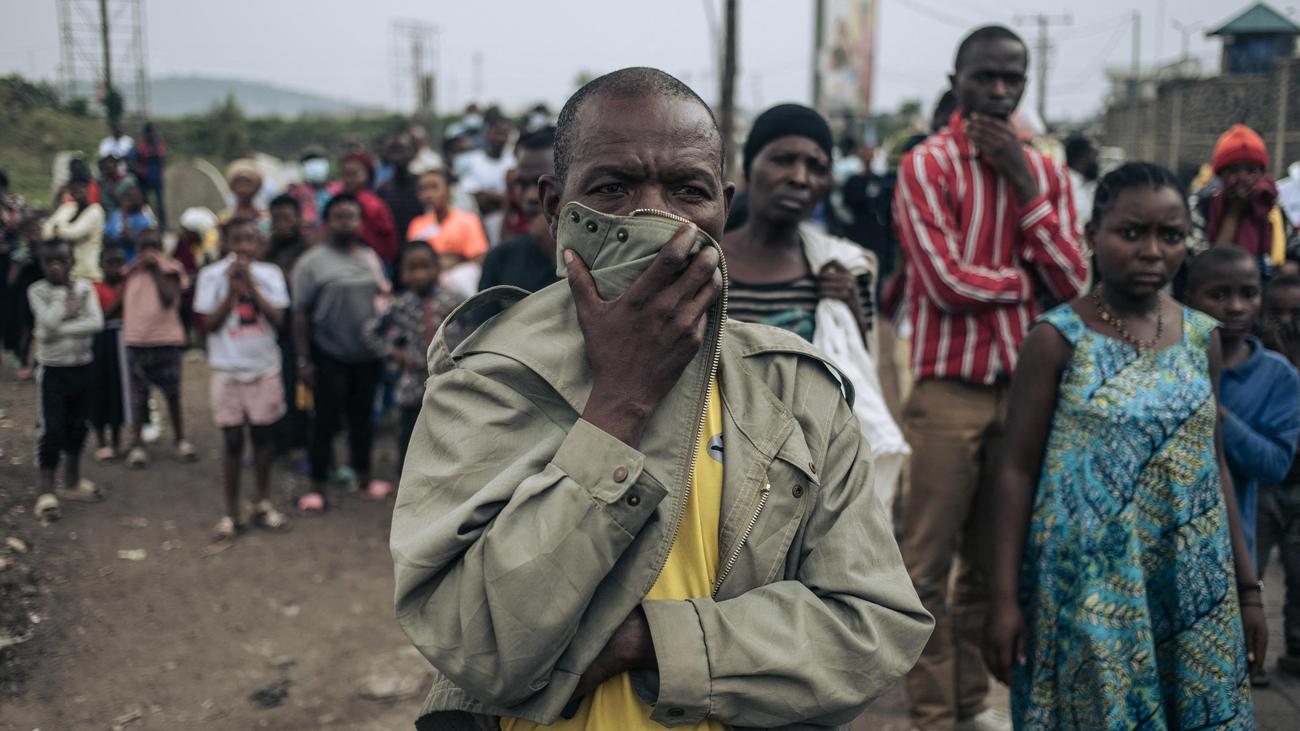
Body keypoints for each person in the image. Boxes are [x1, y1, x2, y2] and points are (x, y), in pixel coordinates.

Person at [392, 66, 931, 730]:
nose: (654, 217)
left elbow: (872, 625)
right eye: (613, 189)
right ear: (555, 205)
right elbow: (477, 646)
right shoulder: (492, 378)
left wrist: (643, 642)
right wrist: (620, 401)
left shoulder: (795, 390)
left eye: (688, 190)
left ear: (723, 208)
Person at [984, 162, 1265, 729]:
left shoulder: (1200, 338)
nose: (1152, 251)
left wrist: (1248, 587)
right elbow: (1015, 470)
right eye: (1131, 233)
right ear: (1092, 237)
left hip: (1190, 580)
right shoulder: (1058, 338)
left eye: (1171, 235)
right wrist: (1003, 598)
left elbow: (1213, 464)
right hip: (1089, 583)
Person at [893, 25, 1089, 731]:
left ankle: (972, 702)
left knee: (991, 563)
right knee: (924, 567)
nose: (1000, 93)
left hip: (1028, 392)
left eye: (1014, 79)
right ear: (958, 78)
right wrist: (1024, 283)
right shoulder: (926, 165)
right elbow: (944, 282)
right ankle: (932, 711)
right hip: (949, 390)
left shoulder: (1048, 173)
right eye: (986, 78)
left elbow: (1073, 283)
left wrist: (1025, 189)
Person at [723, 103, 907, 509]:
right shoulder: (707, 265)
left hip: (810, 477)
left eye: (816, 167)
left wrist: (846, 304)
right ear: (748, 170)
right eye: (783, 160)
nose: (800, 177)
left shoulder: (843, 267)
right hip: (714, 464)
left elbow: (860, 369)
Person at [1183, 246, 1300, 570]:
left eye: (1248, 294)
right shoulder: (1172, 366)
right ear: (1189, 298)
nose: (1235, 307)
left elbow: (1275, 464)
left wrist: (1219, 416)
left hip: (1233, 550)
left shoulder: (1278, 377)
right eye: (1218, 294)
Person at [291, 193, 393, 511]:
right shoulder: (311, 263)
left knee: (362, 419)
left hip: (367, 354)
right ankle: (317, 486)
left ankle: (364, 478)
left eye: (352, 215)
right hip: (328, 353)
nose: (346, 222)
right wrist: (304, 358)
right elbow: (300, 313)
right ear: (327, 222)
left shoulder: (369, 257)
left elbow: (383, 296)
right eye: (339, 216)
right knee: (325, 420)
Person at [194, 218, 292, 540]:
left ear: (260, 244)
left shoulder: (270, 274)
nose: (243, 248)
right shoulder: (210, 276)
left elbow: (279, 320)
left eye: (250, 240)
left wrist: (252, 286)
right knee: (232, 441)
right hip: (227, 369)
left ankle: (263, 503)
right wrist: (233, 292)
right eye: (237, 241)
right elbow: (209, 325)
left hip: (263, 367)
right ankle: (231, 512)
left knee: (264, 438)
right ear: (224, 243)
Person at [363, 241, 460, 473]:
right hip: (413, 381)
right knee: (410, 432)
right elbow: (370, 332)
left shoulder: (453, 300)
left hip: (450, 378)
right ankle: (408, 480)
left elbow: (472, 327)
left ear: (437, 268)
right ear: (402, 273)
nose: (419, 274)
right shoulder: (400, 305)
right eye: (412, 268)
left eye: (425, 266)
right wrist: (394, 353)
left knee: (449, 431)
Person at [28, 239, 105, 521]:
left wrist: (57, 329)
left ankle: (72, 482)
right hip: (53, 370)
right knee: (52, 428)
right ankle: (46, 491)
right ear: (42, 264)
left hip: (82, 367)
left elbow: (95, 323)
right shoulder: (37, 291)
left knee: (78, 425)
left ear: (72, 262)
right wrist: (63, 298)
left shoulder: (85, 288)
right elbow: (46, 325)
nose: (56, 266)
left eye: (62, 260)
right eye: (49, 261)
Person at [121, 228, 194, 467]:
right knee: (138, 397)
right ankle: (137, 444)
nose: (149, 251)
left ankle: (180, 439)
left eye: (154, 245)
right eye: (145, 246)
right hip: (137, 341)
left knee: (172, 394)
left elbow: (168, 299)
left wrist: (155, 269)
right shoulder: (130, 271)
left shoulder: (171, 269)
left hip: (167, 340)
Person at [1258, 273, 1300, 679]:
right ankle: (1248, 653)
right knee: (1248, 572)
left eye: (1297, 314)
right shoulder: (1257, 364)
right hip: (1262, 487)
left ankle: (1296, 650)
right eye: (1276, 314)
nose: (1285, 324)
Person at [1201, 124, 1299, 274]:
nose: (1243, 178)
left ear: (1261, 174)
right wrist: (1234, 213)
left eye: (1251, 171)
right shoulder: (1203, 207)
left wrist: (1276, 270)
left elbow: (1294, 255)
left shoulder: (1273, 211)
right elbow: (1206, 266)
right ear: (1221, 174)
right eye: (1234, 170)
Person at [477, 127, 561, 299]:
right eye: (522, 184)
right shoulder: (500, 259)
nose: (531, 196)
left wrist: (558, 258)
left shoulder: (602, 255)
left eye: (544, 184)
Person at [264, 193, 310, 455]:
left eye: (288, 217)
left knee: (298, 388)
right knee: (273, 384)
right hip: (272, 330)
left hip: (299, 329)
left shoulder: (307, 248)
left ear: (298, 219)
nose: (282, 223)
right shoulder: (267, 249)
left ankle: (299, 442)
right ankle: (277, 442)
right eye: (277, 217)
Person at [406, 169, 489, 272]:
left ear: (448, 190)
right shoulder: (416, 224)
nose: (428, 194)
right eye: (423, 189)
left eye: (434, 187)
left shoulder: (468, 220)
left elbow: (478, 259)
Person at [90, 245, 129, 462]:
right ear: (101, 265)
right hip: (102, 343)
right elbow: (98, 317)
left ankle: (117, 438)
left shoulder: (128, 285)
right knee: (100, 389)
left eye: (119, 263)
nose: (116, 268)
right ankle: (101, 440)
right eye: (110, 263)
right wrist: (120, 301)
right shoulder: (95, 288)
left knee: (119, 390)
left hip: (123, 342)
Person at [457, 112, 516, 247]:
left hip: (507, 224)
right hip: (479, 221)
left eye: (504, 133)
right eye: (496, 133)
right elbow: (477, 198)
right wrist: (503, 197)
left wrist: (491, 196)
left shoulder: (512, 161)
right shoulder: (473, 161)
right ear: (486, 133)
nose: (500, 138)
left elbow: (514, 198)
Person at [333, 151, 398, 265]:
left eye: (354, 174)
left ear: (367, 175)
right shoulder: (337, 202)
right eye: (345, 174)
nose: (349, 179)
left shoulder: (374, 204)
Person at [41, 171, 104, 282]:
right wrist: (58, 229)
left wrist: (56, 228)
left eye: (81, 187)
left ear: (88, 189)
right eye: (74, 188)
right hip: (67, 274)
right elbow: (45, 232)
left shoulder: (96, 211)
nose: (77, 190)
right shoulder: (67, 208)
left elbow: (74, 233)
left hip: (87, 273)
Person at [377, 134, 424, 245]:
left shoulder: (422, 185)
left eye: (402, 150)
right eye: (393, 150)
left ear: (414, 153)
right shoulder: (383, 189)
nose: (398, 156)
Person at [103, 178, 157, 260]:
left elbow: (130, 240)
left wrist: (124, 212)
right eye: (128, 196)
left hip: (134, 262)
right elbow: (106, 236)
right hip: (116, 262)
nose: (130, 200)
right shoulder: (116, 214)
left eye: (134, 197)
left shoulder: (145, 220)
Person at [289, 145, 333, 233]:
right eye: (311, 163)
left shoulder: (337, 190)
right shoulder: (295, 193)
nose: (316, 168)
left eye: (319, 163)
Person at [130, 122, 167, 227]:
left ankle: (163, 226)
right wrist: (139, 170)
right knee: (145, 204)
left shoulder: (158, 143)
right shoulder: (141, 146)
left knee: (160, 204)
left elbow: (161, 157)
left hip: (157, 178)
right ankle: (147, 224)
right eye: (149, 132)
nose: (151, 134)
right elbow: (132, 159)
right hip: (145, 179)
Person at [222, 159, 269, 236]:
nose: (243, 189)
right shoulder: (224, 219)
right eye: (239, 183)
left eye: (248, 183)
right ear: (232, 187)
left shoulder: (264, 218)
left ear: (256, 188)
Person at [1064, 133, 1099, 227]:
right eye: (1093, 156)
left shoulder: (1086, 185)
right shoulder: (1066, 185)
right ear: (1081, 157)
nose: (1096, 162)